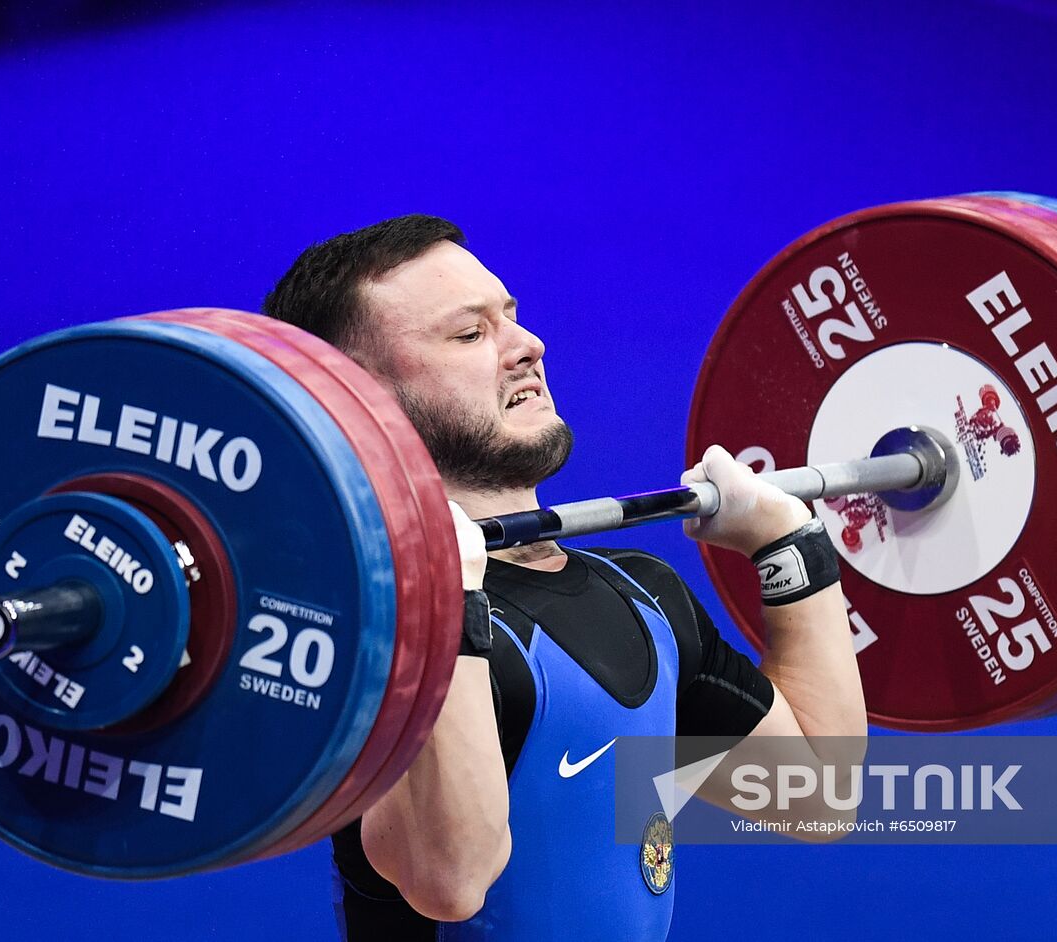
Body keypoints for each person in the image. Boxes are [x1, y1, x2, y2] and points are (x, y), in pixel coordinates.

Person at [264, 215, 866, 940]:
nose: (527, 347)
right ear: (361, 400)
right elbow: (448, 881)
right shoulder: (368, 635)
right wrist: (436, 599)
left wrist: (790, 547)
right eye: (469, 334)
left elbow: (817, 798)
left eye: (511, 318)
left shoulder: (643, 599)